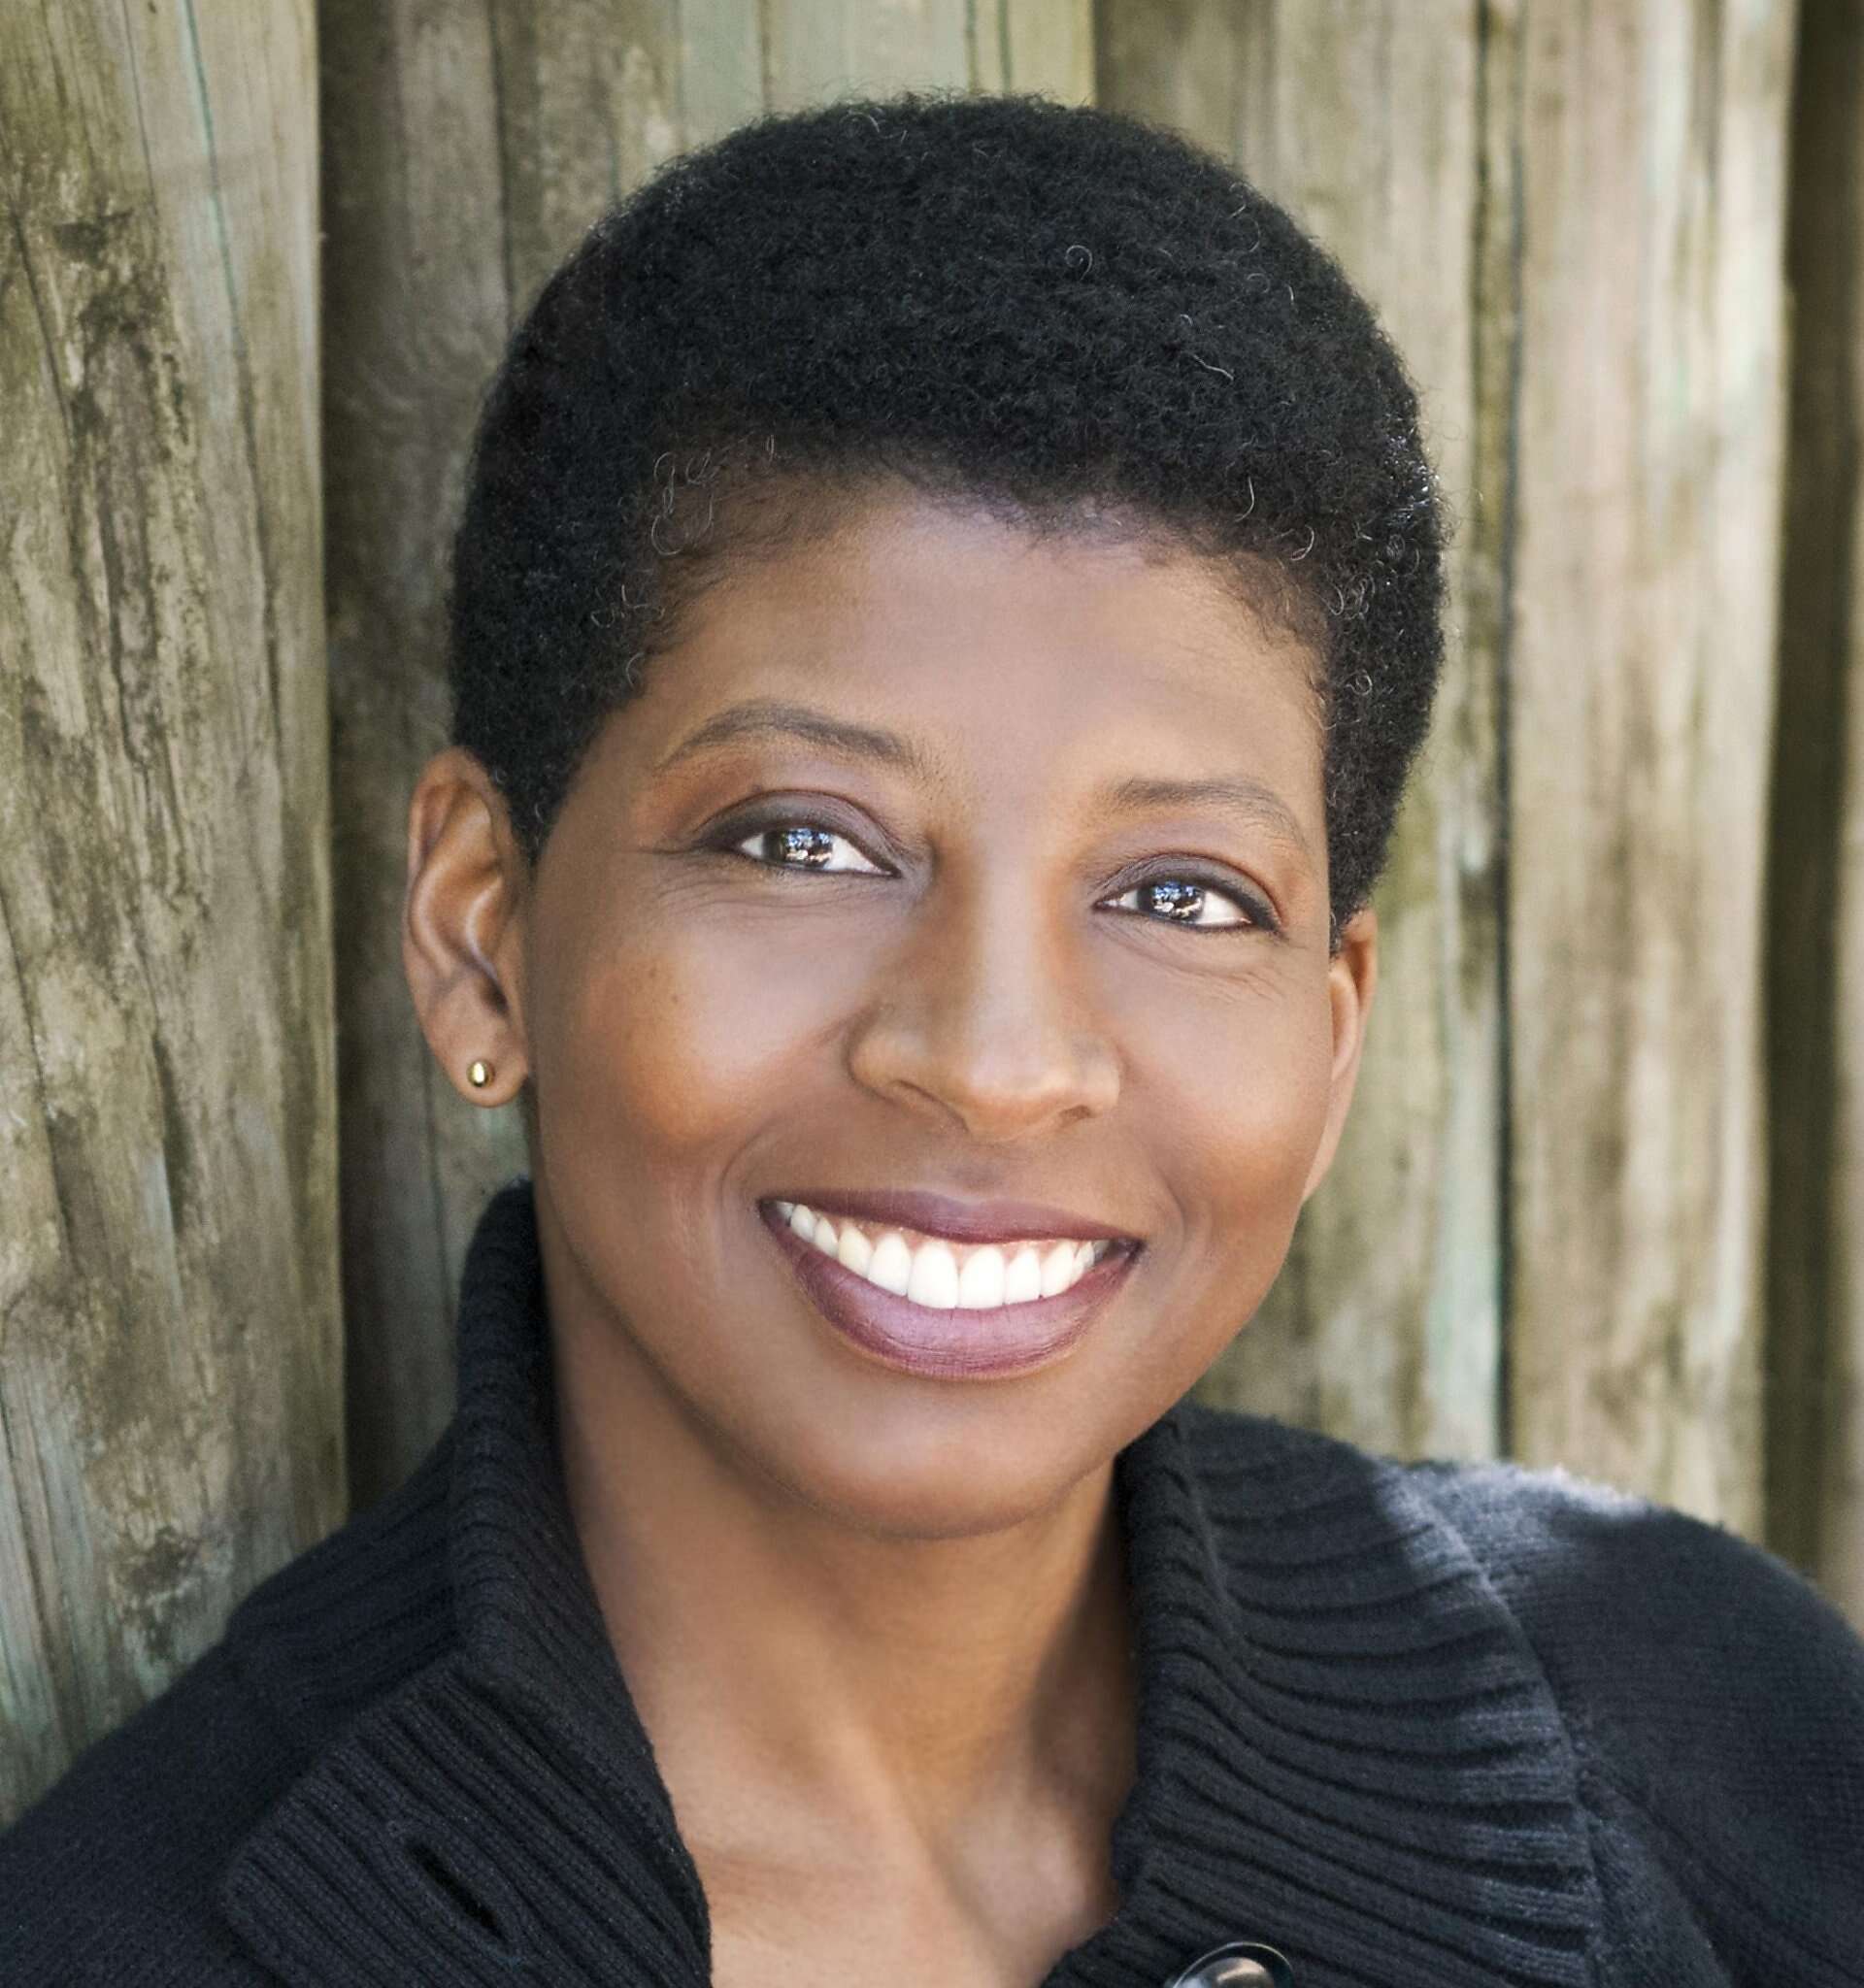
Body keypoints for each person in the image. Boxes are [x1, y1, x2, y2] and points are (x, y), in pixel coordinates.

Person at [3, 90, 1860, 1988]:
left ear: (1332, 1046)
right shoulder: (129, 1943)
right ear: (484, 931)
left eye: (1183, 891)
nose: (995, 1059)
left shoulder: (1720, 1749)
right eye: (804, 842)